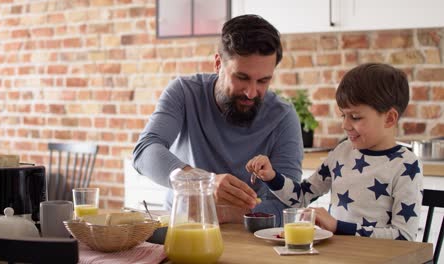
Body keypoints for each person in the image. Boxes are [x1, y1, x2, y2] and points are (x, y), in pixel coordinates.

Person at [132, 14, 303, 225]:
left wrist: (220, 213)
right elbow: (145, 151)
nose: (251, 92)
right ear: (218, 64)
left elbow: (290, 203)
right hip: (184, 226)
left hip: (248, 235)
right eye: (241, 77)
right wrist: (203, 183)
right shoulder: (184, 93)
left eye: (263, 81)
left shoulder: (283, 117)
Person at [246, 63, 423, 240]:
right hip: (338, 255)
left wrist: (338, 227)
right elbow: (301, 196)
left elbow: (404, 237)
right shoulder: (342, 152)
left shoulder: (406, 165)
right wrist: (271, 176)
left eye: (355, 117)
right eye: (343, 115)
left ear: (390, 118)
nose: (345, 125)